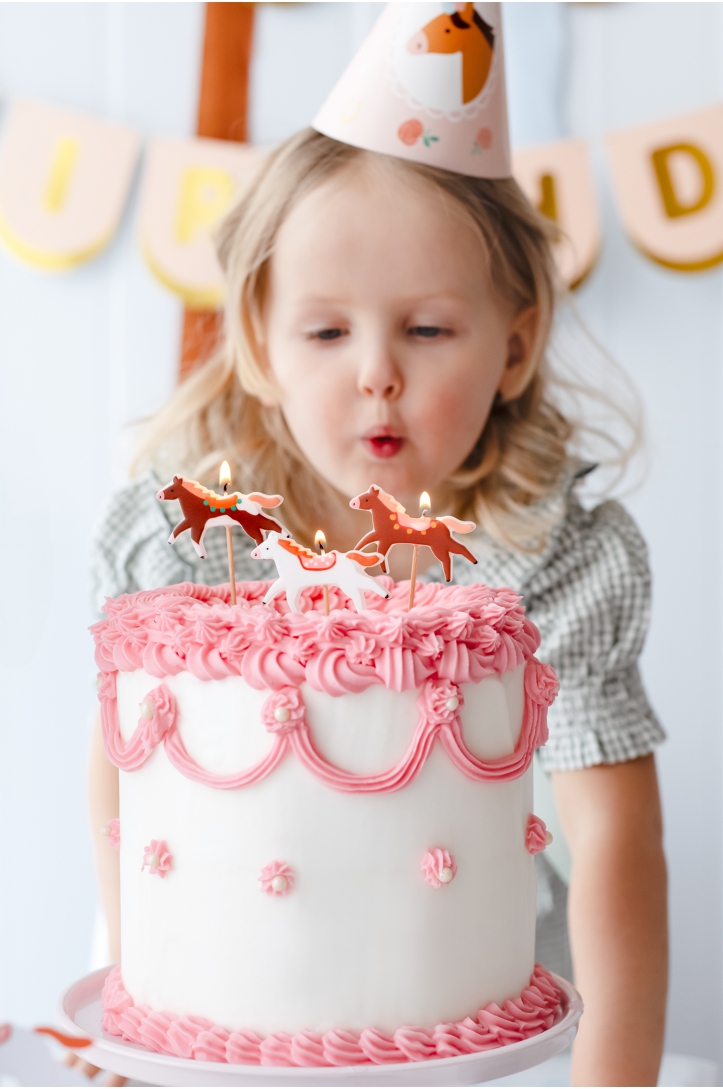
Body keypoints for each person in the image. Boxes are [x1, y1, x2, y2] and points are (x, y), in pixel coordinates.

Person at [86, 12, 667, 1086]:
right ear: (258, 344)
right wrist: (146, 999)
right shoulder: (194, 540)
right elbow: (121, 778)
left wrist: (615, 1076)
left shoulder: (551, 558)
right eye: (326, 331)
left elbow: (614, 841)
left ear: (516, 344)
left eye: (428, 328)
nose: (376, 374)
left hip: (468, 1025)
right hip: (211, 1004)